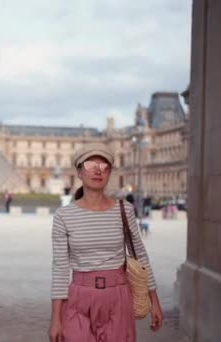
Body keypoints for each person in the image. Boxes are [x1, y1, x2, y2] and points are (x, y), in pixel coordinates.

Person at [48, 143, 162, 342]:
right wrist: (55, 319)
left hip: (118, 298)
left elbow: (140, 256)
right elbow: (59, 269)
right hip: (78, 300)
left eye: (104, 166)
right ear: (79, 172)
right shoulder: (63, 216)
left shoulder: (124, 210)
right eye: (91, 164)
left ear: (109, 173)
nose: (98, 170)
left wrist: (154, 301)